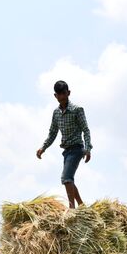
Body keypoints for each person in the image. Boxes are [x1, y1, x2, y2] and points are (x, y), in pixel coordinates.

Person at [36, 80, 92, 209]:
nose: (61, 97)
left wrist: (88, 149)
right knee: (69, 180)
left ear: (68, 93)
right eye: (59, 94)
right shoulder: (56, 113)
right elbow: (52, 133)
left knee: (66, 178)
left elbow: (86, 130)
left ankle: (72, 209)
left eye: (64, 93)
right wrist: (43, 147)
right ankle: (82, 205)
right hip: (66, 151)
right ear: (55, 96)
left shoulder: (77, 110)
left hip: (77, 148)